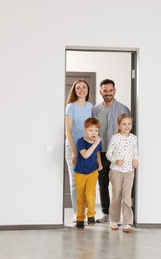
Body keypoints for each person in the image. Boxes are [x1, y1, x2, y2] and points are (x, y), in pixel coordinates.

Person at [92, 79, 130, 223]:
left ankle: (117, 216)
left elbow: (128, 131)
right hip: (100, 152)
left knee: (118, 186)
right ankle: (105, 213)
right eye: (105, 91)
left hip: (117, 154)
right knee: (102, 184)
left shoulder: (123, 109)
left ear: (115, 90)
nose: (108, 93)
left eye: (110, 90)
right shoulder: (95, 109)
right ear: (100, 91)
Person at [65, 79, 93, 223]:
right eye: (78, 88)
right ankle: (78, 213)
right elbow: (68, 131)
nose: (81, 90)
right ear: (74, 91)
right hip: (73, 147)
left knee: (88, 181)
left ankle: (88, 212)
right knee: (76, 181)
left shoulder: (91, 107)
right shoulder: (71, 107)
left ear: (88, 90)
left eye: (84, 87)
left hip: (89, 148)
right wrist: (75, 151)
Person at [106, 114, 138, 232]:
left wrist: (136, 159)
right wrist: (116, 160)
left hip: (129, 171)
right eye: (124, 124)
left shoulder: (134, 138)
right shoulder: (115, 138)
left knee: (127, 197)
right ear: (119, 125)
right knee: (116, 196)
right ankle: (114, 220)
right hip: (116, 171)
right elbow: (108, 154)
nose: (127, 126)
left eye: (129, 124)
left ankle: (127, 223)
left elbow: (135, 151)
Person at [74, 117, 103, 231]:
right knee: (81, 197)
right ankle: (80, 219)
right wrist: (96, 143)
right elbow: (85, 155)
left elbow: (97, 154)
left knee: (90, 195)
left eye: (96, 130)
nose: (94, 133)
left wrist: (99, 163)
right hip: (80, 173)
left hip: (92, 172)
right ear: (85, 130)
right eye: (91, 130)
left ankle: (91, 215)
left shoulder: (98, 142)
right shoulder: (81, 141)